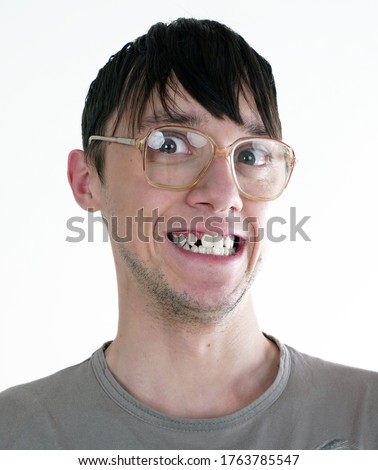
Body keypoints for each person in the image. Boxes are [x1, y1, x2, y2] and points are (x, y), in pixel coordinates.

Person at [0, 17, 377, 451]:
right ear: (87, 181)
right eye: (169, 144)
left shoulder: (368, 425)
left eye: (250, 154)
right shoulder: (16, 438)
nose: (223, 195)